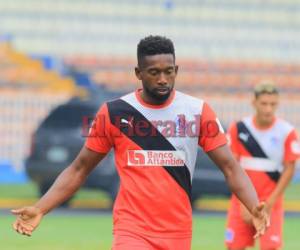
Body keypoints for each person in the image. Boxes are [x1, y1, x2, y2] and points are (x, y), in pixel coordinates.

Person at [12, 35, 269, 250]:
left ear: (176, 70)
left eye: (169, 72)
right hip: (131, 229)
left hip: (177, 231)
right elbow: (79, 168)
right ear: (138, 73)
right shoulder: (114, 112)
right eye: (154, 72)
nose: (162, 79)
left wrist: (253, 205)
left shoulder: (198, 112)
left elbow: (230, 166)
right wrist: (41, 209)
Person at [225, 82, 300, 250]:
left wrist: (270, 203)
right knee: (234, 246)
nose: (268, 109)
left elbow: (290, 168)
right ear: (254, 103)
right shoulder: (238, 128)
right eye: (264, 103)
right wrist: (244, 203)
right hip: (242, 202)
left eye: (273, 104)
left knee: (270, 248)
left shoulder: (287, 131)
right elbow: (231, 167)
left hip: (271, 203)